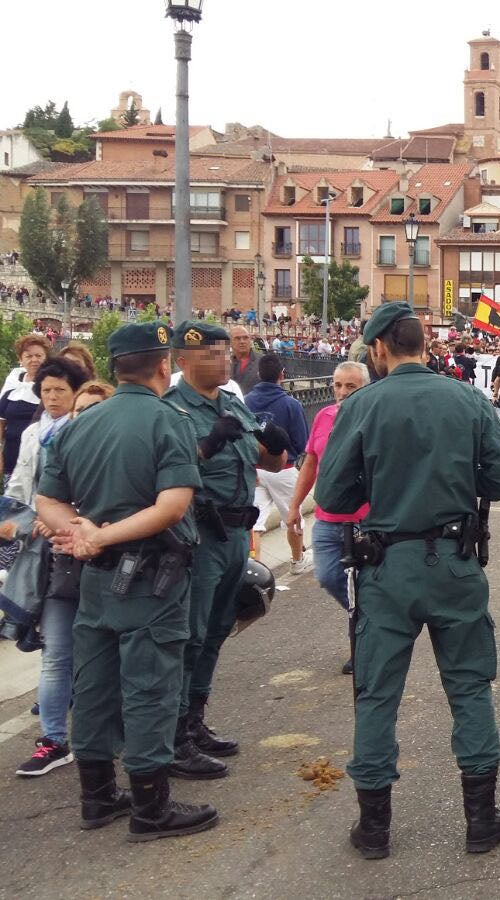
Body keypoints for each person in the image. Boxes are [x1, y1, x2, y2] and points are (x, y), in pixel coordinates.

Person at [320, 302, 500, 859]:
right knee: (469, 688)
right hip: (455, 562)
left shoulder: (361, 405)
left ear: (381, 348)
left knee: (377, 695)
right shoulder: (466, 399)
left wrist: (383, 482)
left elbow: (334, 496)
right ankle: (481, 821)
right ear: (424, 345)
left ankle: (375, 830)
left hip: (386, 567)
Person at [35, 321, 218, 841]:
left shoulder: (79, 424)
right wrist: (104, 535)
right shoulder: (169, 421)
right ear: (164, 365)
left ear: (116, 366)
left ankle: (96, 796)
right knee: (150, 687)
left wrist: (85, 534)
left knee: (92, 685)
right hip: (153, 578)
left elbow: (46, 500)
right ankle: (150, 807)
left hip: (95, 578)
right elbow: (173, 504)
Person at [167, 322, 291, 781]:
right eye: (209, 356)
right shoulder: (173, 410)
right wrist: (207, 443)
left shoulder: (234, 403)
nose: (222, 360)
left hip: (238, 532)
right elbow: (164, 468)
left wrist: (275, 447)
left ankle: (195, 720)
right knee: (191, 633)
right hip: (200, 536)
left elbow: (267, 460)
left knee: (219, 629)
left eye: (224, 353)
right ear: (183, 362)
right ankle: (176, 735)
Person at [6, 356, 88, 777]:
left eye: (59, 389)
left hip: (96, 555)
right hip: (52, 560)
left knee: (101, 654)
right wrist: (21, 521)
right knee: (56, 653)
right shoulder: (35, 433)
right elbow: (21, 487)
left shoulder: (88, 428)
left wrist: (60, 515)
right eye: (46, 390)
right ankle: (53, 739)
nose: (52, 397)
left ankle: (109, 736)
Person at [288, 361, 369, 674]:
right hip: (328, 518)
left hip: (365, 518)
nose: (342, 392)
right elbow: (309, 464)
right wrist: (295, 506)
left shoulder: (374, 418)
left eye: (351, 386)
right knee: (327, 576)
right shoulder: (323, 417)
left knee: (365, 583)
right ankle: (368, 621)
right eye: (338, 385)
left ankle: (362, 648)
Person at [245, 354, 311, 573]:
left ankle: (255, 567)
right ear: (282, 375)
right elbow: (302, 442)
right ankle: (297, 560)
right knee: (293, 516)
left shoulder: (245, 401)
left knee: (255, 520)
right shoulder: (291, 404)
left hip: (255, 469)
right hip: (284, 468)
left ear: (258, 375)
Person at [0, 333, 49, 482]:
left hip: (40, 462)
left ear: (46, 358)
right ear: (20, 360)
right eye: (28, 356)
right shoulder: (13, 385)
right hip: (12, 459)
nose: (34, 360)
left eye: (38, 355)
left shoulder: (51, 386)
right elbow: (1, 422)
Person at [228, 326, 260, 394]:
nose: (242, 341)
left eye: (245, 338)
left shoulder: (262, 361)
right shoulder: (224, 363)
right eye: (237, 338)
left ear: (250, 340)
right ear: (230, 342)